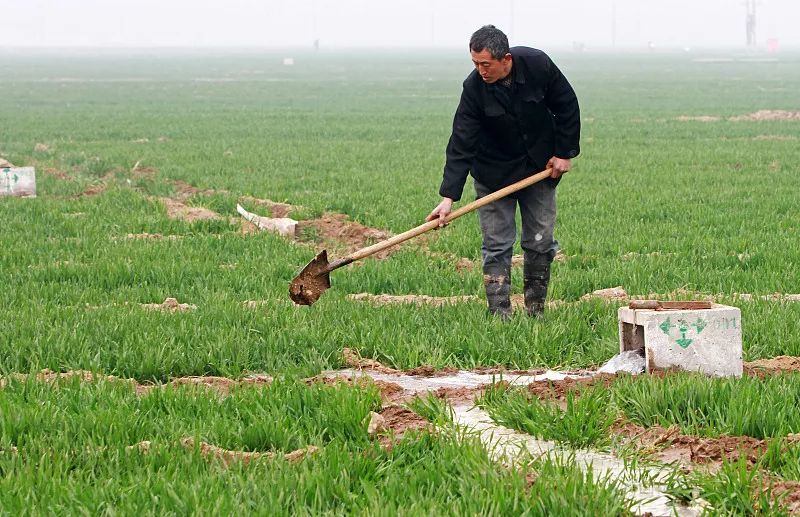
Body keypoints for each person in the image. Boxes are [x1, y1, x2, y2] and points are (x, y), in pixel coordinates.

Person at [427, 25, 580, 319]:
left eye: (486, 64)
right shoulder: (473, 89)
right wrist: (448, 196)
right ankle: (500, 316)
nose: (480, 71)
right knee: (496, 245)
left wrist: (564, 152)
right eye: (475, 64)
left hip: (539, 169)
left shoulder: (538, 65)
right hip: (493, 174)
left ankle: (536, 312)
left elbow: (567, 105)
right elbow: (461, 141)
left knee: (540, 241)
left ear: (506, 59)